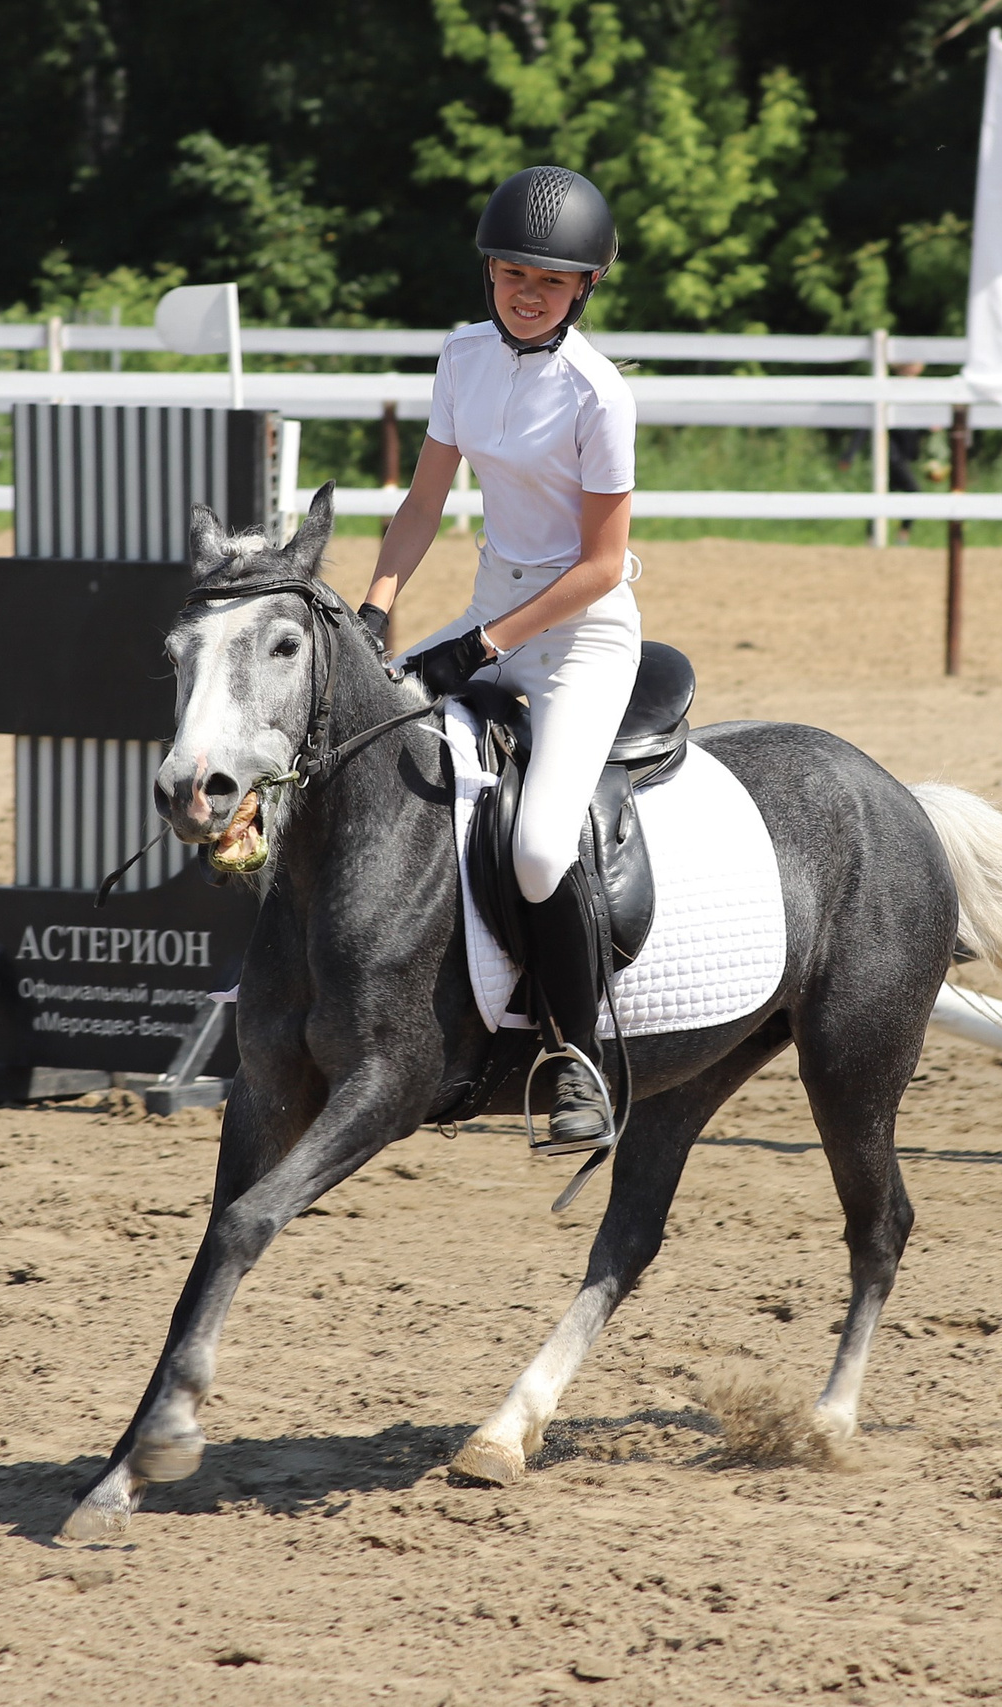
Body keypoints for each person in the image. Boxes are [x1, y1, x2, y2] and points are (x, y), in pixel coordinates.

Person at [358, 165, 640, 1157]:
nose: (529, 292)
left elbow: (603, 565)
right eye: (514, 273)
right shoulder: (464, 357)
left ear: (583, 291)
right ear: (488, 272)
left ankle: (583, 1066)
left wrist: (484, 645)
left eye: (551, 282)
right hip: (490, 605)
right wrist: (376, 609)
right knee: (364, 734)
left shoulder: (598, 394)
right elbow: (424, 503)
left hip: (579, 637)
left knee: (535, 847)